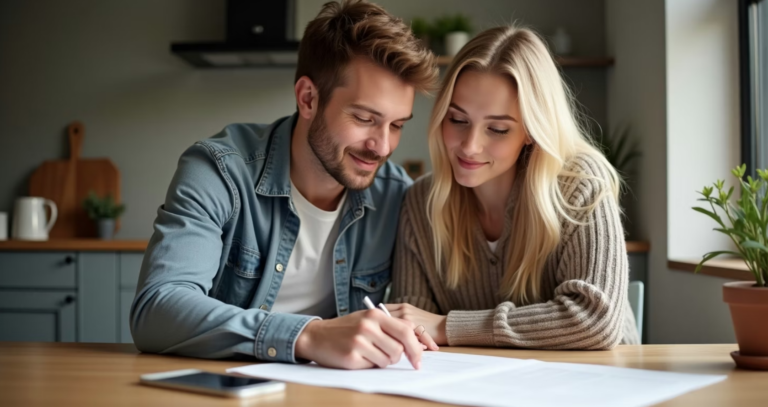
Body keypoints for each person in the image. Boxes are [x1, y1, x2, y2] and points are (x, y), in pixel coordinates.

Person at [130, 0, 439, 370]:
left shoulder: (395, 194)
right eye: (363, 118)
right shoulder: (218, 171)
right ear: (308, 98)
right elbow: (156, 310)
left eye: (397, 125)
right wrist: (307, 336)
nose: (383, 146)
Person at [387, 26, 641, 349]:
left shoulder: (581, 186)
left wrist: (449, 326)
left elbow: (595, 321)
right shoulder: (420, 203)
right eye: (458, 120)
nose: (470, 146)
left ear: (532, 131)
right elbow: (411, 327)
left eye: (497, 129)